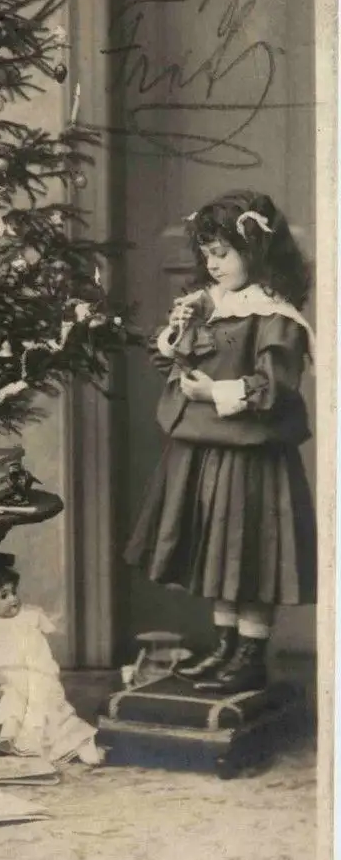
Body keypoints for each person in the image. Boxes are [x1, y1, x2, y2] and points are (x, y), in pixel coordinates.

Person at [125, 190, 316, 695]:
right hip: (207, 450)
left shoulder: (275, 316)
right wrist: (178, 332)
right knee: (220, 553)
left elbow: (275, 388)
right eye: (207, 253)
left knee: (249, 557)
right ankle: (226, 647)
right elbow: (173, 361)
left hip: (253, 458)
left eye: (222, 253)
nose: (212, 264)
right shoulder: (213, 306)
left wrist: (214, 392)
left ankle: (250, 655)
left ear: (255, 251)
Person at [0, 557, 104, 765]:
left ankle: (81, 744)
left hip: (43, 677)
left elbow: (51, 632)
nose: (13, 599)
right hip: (17, 684)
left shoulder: (30, 617)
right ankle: (37, 750)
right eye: (4, 596)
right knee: (22, 714)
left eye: (13, 593)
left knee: (57, 711)